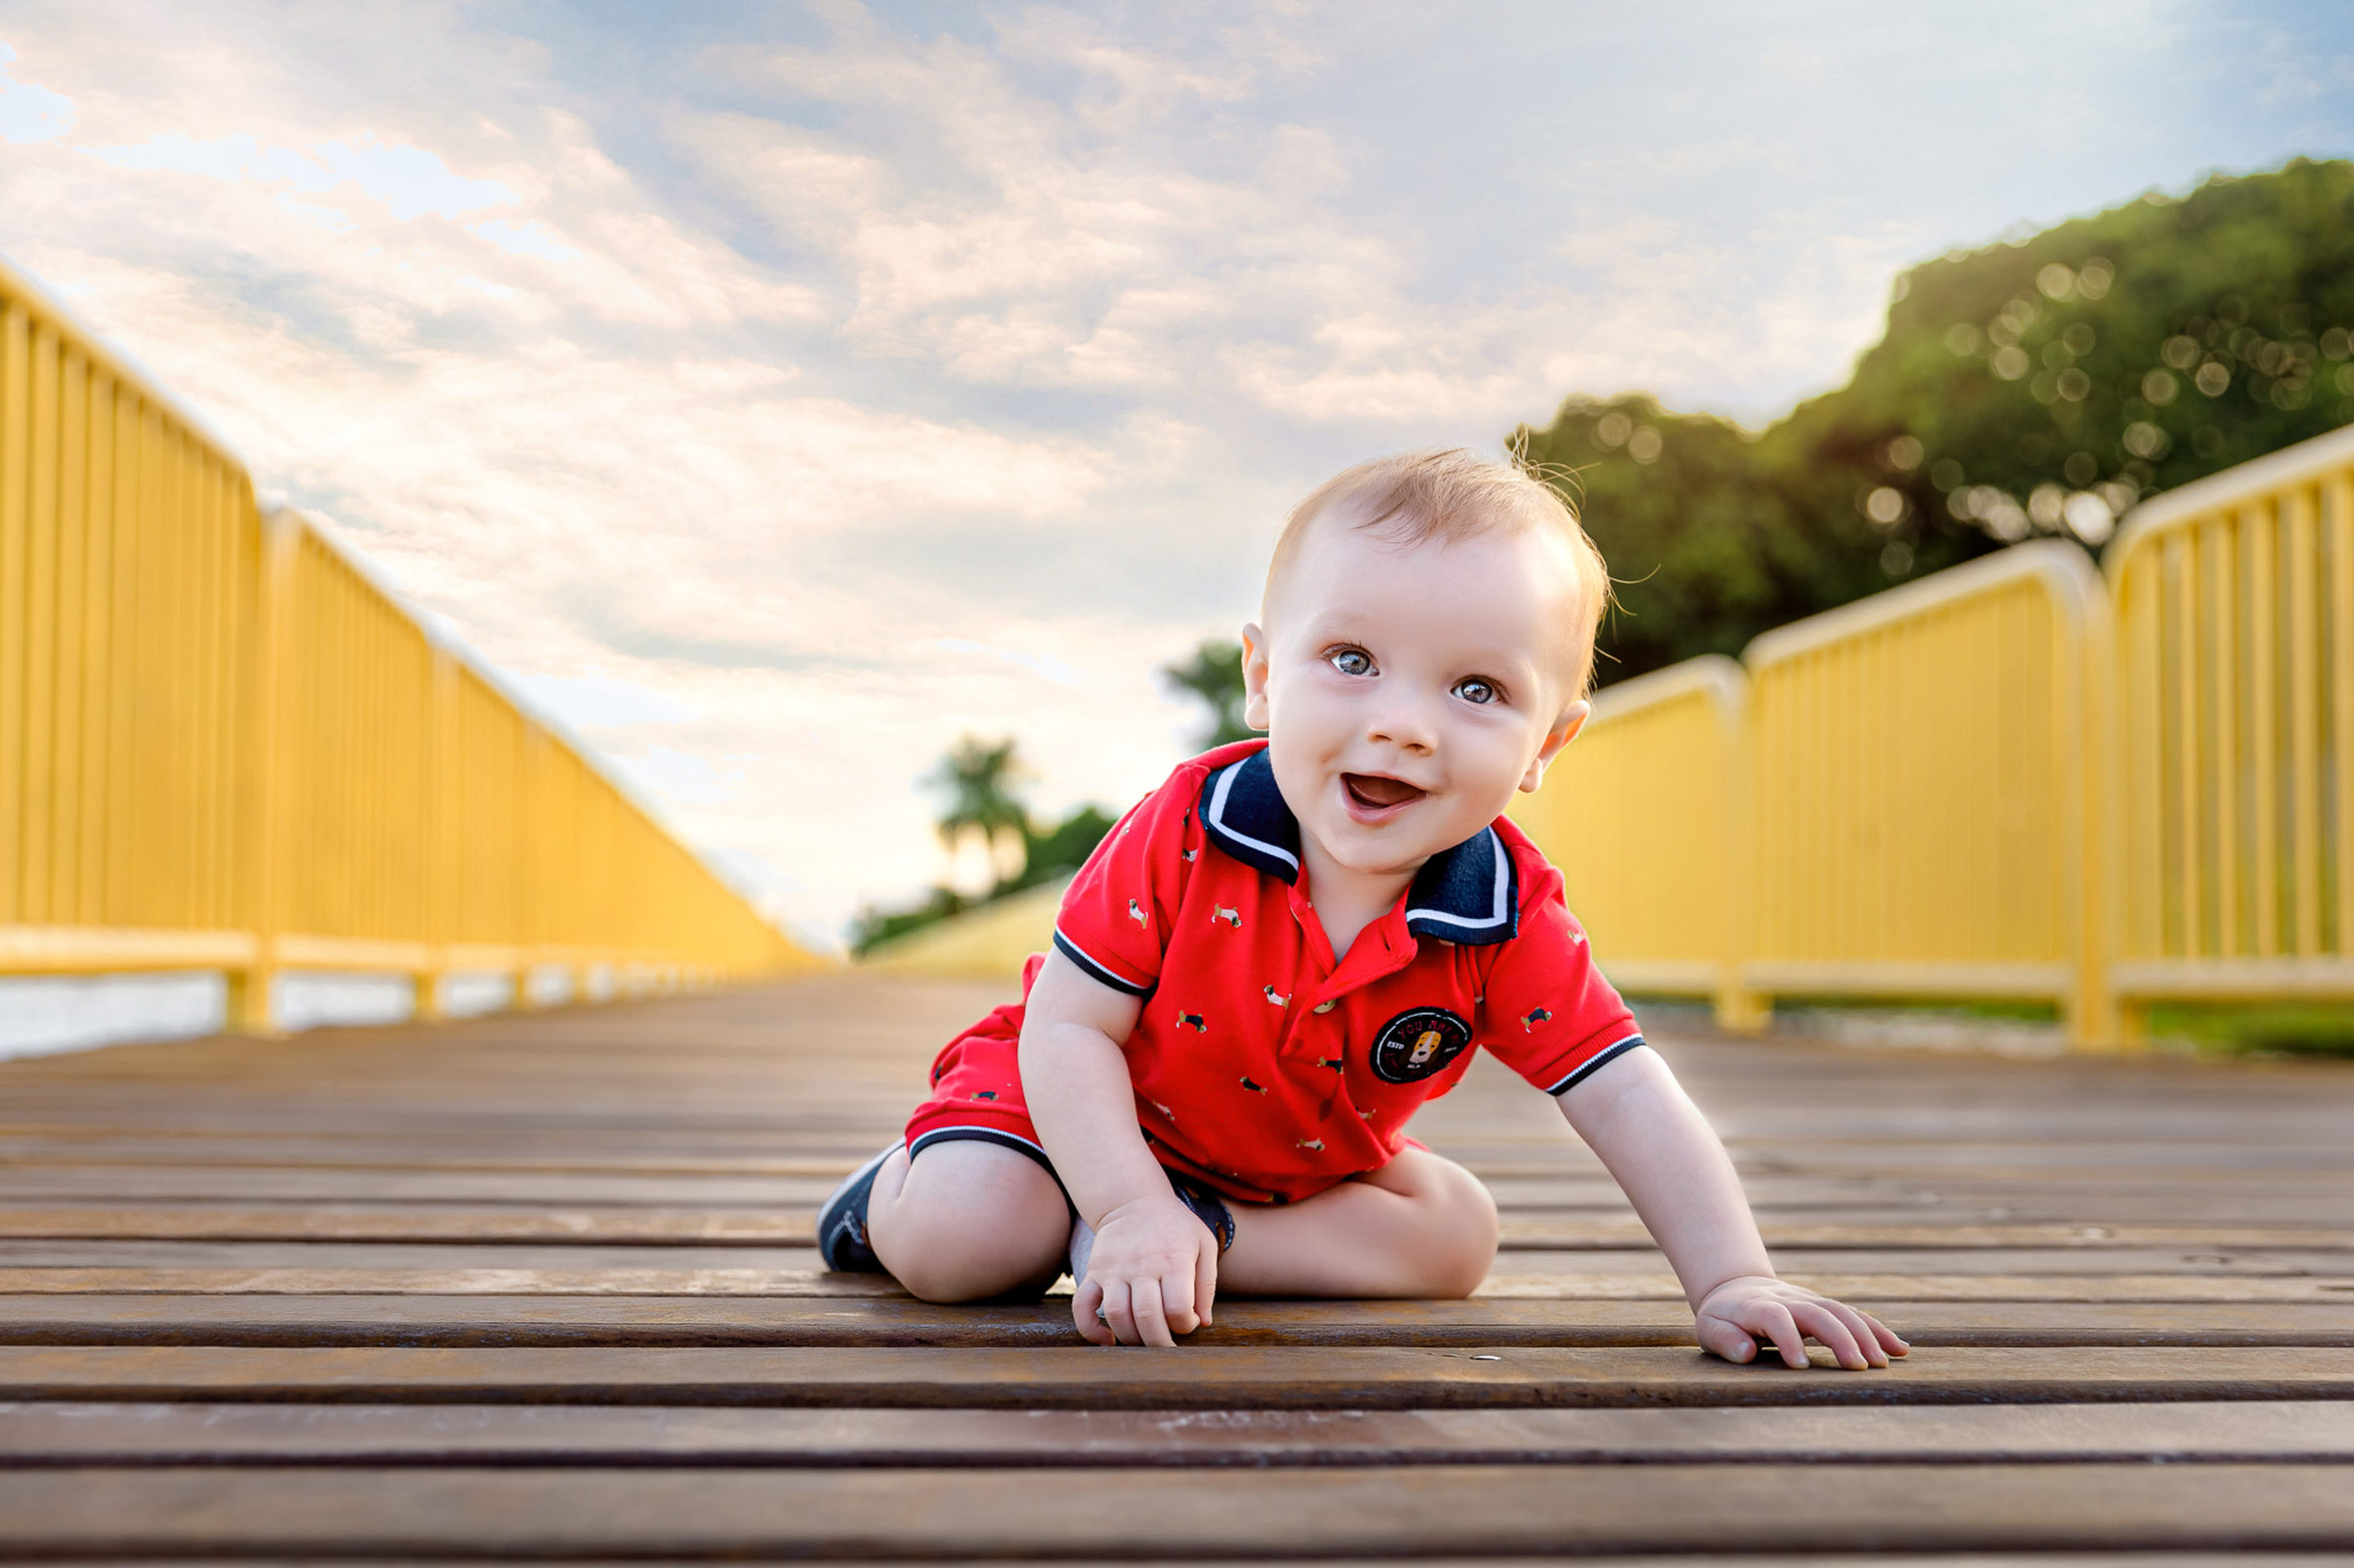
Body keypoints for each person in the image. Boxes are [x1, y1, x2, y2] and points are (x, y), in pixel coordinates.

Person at [819, 448, 1907, 1368]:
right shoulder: (1192, 824)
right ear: (1261, 676)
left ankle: (1194, 1236)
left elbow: (1625, 1092)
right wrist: (1120, 1199)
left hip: (1277, 1167)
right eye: (1351, 660)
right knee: (975, 1241)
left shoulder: (1505, 911)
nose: (1403, 725)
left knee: (1457, 1236)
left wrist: (1731, 1275)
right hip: (1073, 1110)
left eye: (1476, 690)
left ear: (1550, 745)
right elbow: (1069, 1028)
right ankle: (901, 1196)